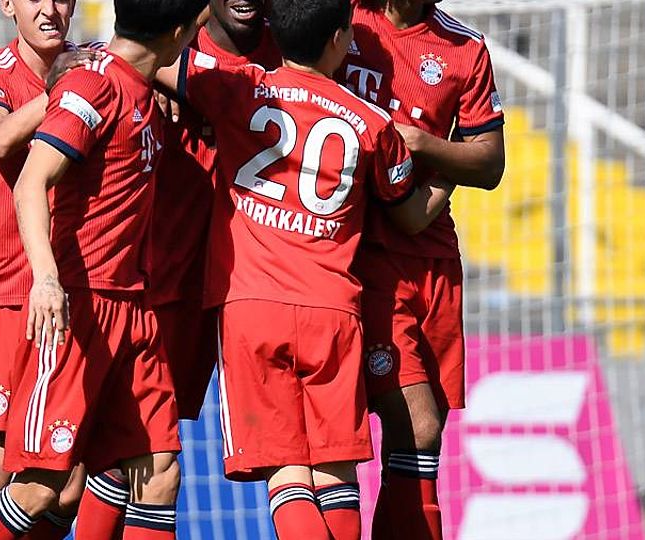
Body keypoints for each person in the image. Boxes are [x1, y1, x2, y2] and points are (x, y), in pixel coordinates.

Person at [155, 0, 454, 537]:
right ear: (339, 39)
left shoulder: (238, 88)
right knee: (336, 473)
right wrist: (448, 170)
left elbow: (152, 56)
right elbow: (411, 215)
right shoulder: (372, 124)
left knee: (287, 475)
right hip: (333, 312)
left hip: (252, 308)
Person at [0, 1, 209, 539]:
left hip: (134, 310)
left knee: (158, 475)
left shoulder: (132, 83)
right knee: (39, 484)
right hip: (79, 308)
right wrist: (47, 279)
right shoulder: (92, 85)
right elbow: (29, 181)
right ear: (179, 33)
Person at [78, 1, 283, 535]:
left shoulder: (292, 46)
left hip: (254, 285)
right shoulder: (166, 49)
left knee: (292, 458)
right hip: (166, 278)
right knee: (128, 459)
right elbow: (109, 60)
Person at [335, 1, 506, 538]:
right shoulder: (344, 18)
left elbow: (491, 162)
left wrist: (426, 145)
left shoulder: (464, 48)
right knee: (417, 424)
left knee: (420, 440)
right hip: (362, 255)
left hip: (432, 259)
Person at [0, 0, 84, 538]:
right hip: (6, 296)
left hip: (71, 298)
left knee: (67, 483)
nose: (50, 9)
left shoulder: (94, 67)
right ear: (7, 4)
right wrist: (66, 91)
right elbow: (1, 136)